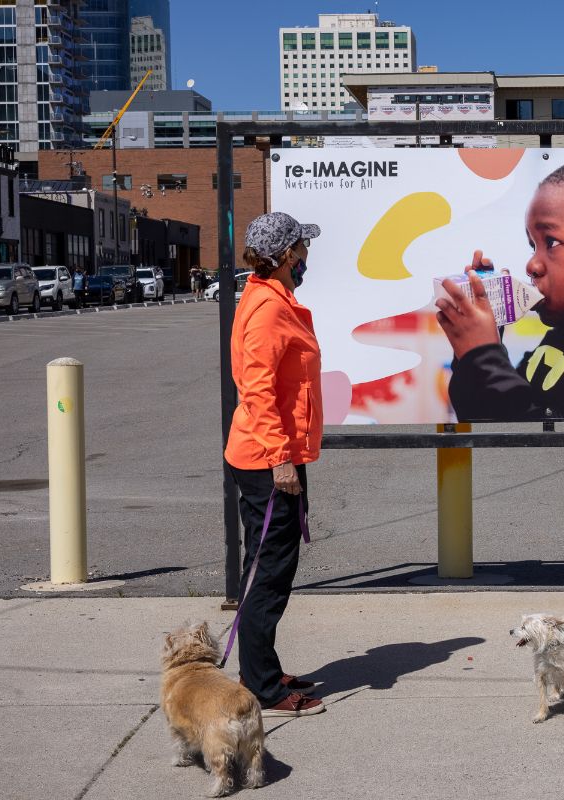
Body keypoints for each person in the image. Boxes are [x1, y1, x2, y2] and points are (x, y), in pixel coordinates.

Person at [224, 211, 328, 718]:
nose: (307, 254)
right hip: (270, 460)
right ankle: (262, 685)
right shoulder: (267, 309)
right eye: (302, 247)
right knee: (270, 573)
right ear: (286, 256)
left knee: (265, 568)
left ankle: (259, 665)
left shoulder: (270, 297)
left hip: (273, 454)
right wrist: (281, 459)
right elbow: (258, 389)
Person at [435, 155, 564, 421]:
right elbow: (484, 417)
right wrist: (476, 351)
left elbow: (542, 445)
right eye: (533, 246)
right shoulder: (563, 338)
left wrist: (483, 356)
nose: (531, 264)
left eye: (551, 243)